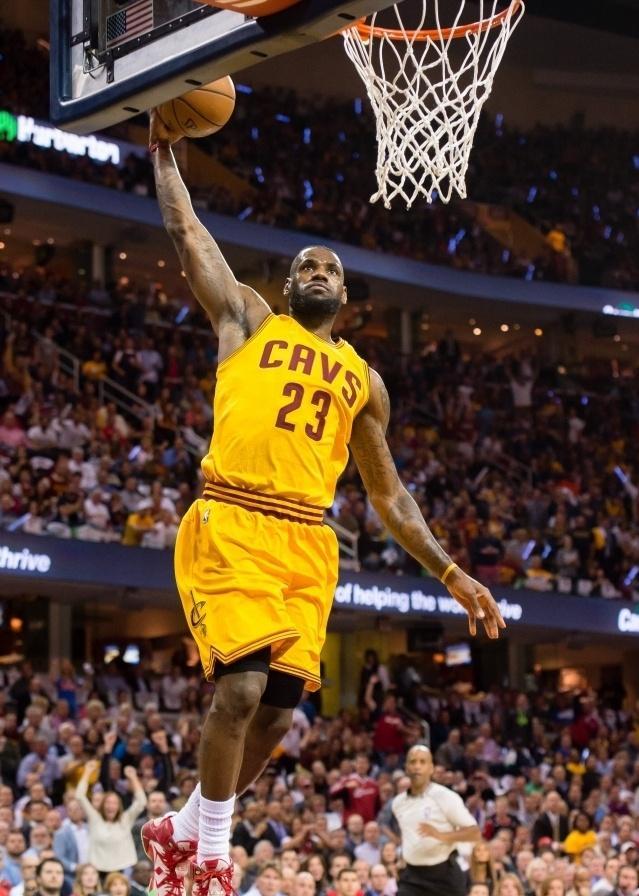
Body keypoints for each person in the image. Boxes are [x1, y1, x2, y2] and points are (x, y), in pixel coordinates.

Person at [143, 111, 506, 896]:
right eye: (304, 265)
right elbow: (187, 232)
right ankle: (210, 858)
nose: (315, 269)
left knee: (278, 714)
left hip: (307, 544)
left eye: (328, 268)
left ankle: (182, 826)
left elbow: (388, 494)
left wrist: (451, 573)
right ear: (287, 286)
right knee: (239, 690)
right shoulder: (248, 319)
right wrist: (164, 152)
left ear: (344, 294)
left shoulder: (364, 383)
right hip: (233, 519)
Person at [390, 745, 480, 896]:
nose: (417, 766)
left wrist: (440, 835)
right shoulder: (398, 803)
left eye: (422, 762)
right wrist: (402, 858)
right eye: (413, 762)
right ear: (407, 768)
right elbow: (409, 834)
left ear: (431, 768)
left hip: (444, 875)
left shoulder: (445, 796)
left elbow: (474, 833)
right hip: (412, 876)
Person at [75, 761, 147, 875]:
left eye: (114, 803)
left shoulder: (125, 819)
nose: (111, 806)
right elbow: (79, 796)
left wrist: (133, 778)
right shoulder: (95, 818)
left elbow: (141, 802)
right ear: (103, 805)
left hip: (122, 869)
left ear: (119, 807)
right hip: (98, 869)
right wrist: (87, 772)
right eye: (108, 803)